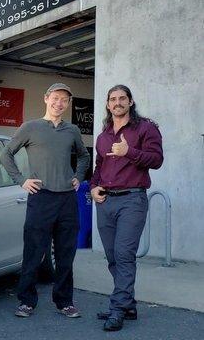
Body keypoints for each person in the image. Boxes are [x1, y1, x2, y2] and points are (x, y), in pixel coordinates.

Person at [0, 83, 89, 319]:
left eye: (64, 100)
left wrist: (78, 177)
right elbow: (5, 155)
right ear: (46, 98)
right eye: (56, 98)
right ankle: (26, 301)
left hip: (67, 200)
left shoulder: (72, 131)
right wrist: (21, 180)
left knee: (65, 253)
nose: (59, 103)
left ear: (68, 104)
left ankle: (64, 302)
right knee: (34, 252)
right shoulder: (31, 127)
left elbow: (84, 155)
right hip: (41, 198)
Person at [90, 84, 163, 331]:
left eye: (122, 98)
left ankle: (118, 308)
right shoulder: (103, 136)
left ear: (131, 102)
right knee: (112, 255)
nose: (117, 102)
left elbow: (157, 160)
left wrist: (129, 151)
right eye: (113, 99)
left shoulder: (146, 128)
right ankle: (128, 304)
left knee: (123, 254)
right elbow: (99, 167)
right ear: (108, 104)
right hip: (106, 201)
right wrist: (92, 187)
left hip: (132, 199)